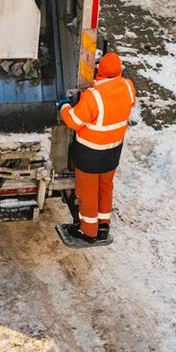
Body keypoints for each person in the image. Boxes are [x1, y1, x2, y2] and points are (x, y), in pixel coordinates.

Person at [58, 52, 137, 245]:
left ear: (99, 70)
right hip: (113, 150)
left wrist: (64, 107)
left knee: (88, 192)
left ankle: (88, 232)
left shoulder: (94, 96)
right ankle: (103, 226)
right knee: (105, 187)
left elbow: (74, 121)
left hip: (90, 153)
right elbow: (130, 102)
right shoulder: (128, 86)